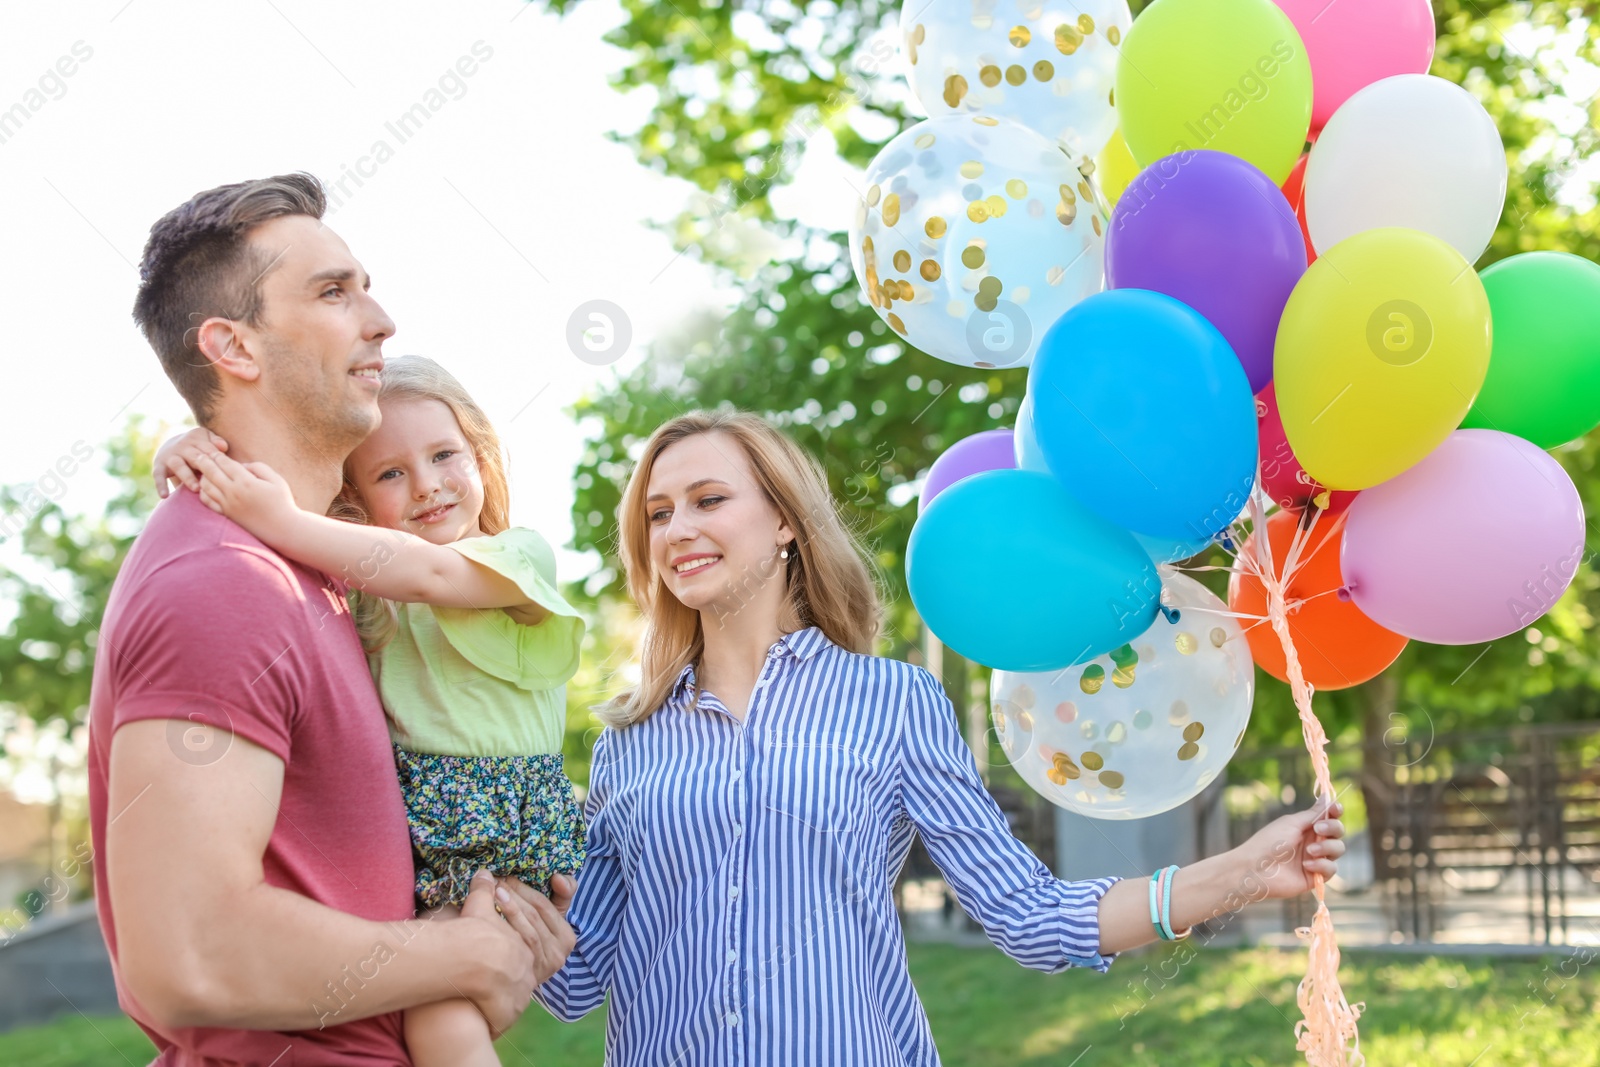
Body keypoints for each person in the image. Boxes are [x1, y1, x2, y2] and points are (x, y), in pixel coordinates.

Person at [505, 409, 1347, 1065]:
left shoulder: (891, 702)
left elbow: (1030, 916)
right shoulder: (629, 737)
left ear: (786, 522)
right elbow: (580, 983)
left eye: (708, 499)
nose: (678, 528)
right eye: (657, 513)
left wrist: (1238, 873)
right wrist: (489, 854)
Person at [87, 173, 573, 1067]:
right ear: (231, 345)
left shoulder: (319, 577)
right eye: (334, 292)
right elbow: (184, 954)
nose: (381, 319)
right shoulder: (224, 582)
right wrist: (465, 952)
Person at [152, 354, 588, 1067]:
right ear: (355, 499)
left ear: (480, 456)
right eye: (390, 473)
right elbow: (282, 541)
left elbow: (427, 571)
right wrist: (189, 453)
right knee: (408, 997)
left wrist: (279, 516)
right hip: (411, 825)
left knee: (439, 1009)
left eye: (444, 454)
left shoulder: (513, 557)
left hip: (495, 823)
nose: (427, 486)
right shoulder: (363, 588)